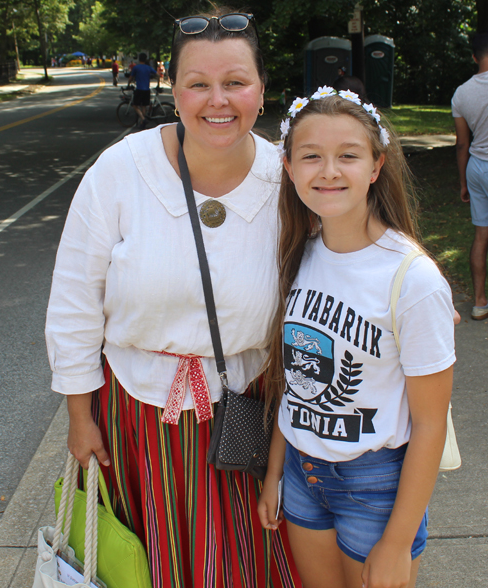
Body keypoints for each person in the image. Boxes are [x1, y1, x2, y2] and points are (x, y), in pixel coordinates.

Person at [45, 8, 301, 588]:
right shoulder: (120, 170)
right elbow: (75, 299)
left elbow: (343, 258)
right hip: (135, 417)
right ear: (173, 89)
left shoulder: (289, 179)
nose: (218, 100)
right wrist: (79, 417)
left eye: (235, 82)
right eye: (198, 84)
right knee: (148, 564)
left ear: (261, 88)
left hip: (247, 411)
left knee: (242, 565)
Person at [258, 90, 456, 588]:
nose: (328, 171)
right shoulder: (298, 254)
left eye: (348, 155)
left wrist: (396, 539)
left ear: (375, 166)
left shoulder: (414, 280)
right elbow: (296, 378)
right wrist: (276, 471)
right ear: (288, 166)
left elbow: (430, 427)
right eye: (311, 156)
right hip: (303, 477)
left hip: (376, 484)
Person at [452, 32, 488, 321]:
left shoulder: (462, 93)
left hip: (477, 166)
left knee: (481, 235)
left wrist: (464, 181)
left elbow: (462, 143)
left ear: (474, 57)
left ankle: (479, 302)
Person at [128, 52, 158, 129]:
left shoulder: (136, 68)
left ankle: (143, 119)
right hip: (147, 90)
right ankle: (142, 123)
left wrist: (128, 84)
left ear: (139, 59)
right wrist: (158, 83)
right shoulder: (148, 68)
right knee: (144, 106)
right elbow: (157, 74)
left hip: (139, 89)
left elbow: (131, 77)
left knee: (135, 105)